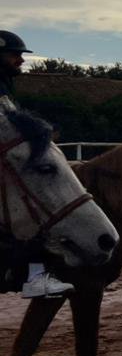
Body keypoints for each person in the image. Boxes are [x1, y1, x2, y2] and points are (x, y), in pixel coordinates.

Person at [0, 31, 76, 297]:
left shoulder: (5, 85)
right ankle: (32, 278)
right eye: (14, 54)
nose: (20, 60)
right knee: (33, 215)